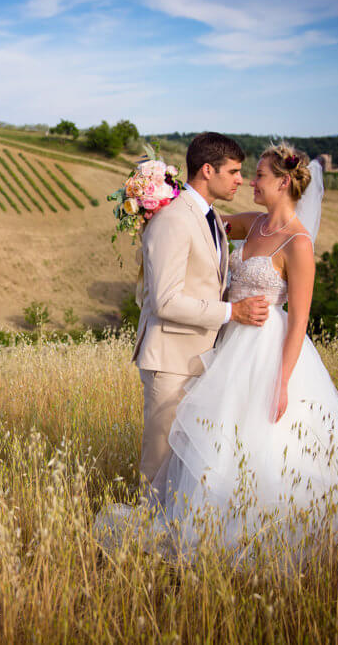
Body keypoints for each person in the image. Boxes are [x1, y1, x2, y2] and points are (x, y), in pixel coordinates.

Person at [155, 142, 338, 565]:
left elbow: (299, 319)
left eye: (259, 175)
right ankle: (205, 524)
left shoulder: (298, 243)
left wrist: (281, 381)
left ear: (283, 182)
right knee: (222, 436)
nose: (250, 182)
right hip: (231, 342)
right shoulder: (255, 224)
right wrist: (157, 198)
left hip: (268, 349)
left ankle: (271, 533)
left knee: (270, 444)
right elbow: (206, 224)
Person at [131, 133, 269, 504]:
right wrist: (232, 312)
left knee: (186, 467)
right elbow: (165, 300)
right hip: (171, 360)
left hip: (204, 359)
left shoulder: (212, 218)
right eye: (235, 171)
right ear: (208, 170)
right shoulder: (174, 220)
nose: (241, 180)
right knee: (158, 466)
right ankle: (139, 546)